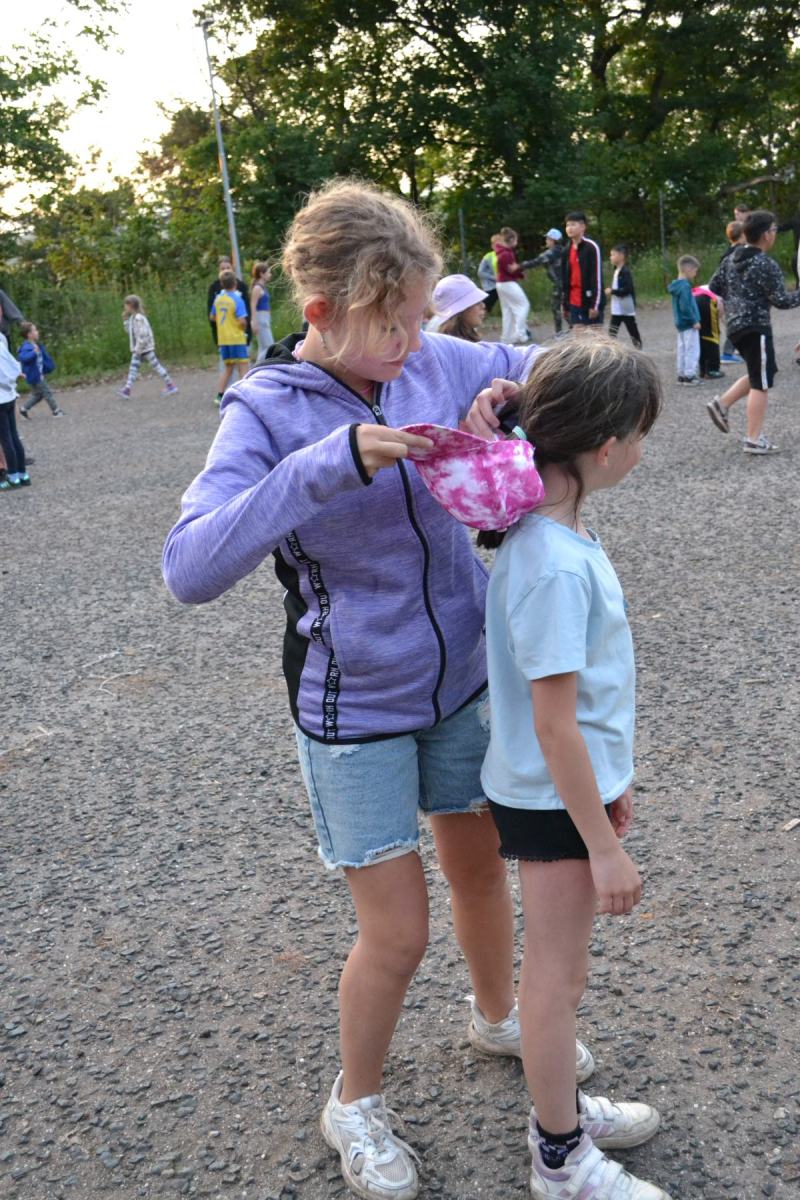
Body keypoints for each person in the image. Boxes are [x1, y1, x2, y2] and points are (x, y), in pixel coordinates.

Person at [162, 178, 598, 1200]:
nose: (413, 342)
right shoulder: (265, 410)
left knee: (480, 873)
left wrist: (511, 397)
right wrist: (322, 466)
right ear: (321, 311)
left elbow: (551, 363)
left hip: (460, 681)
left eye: (419, 316)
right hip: (351, 707)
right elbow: (187, 569)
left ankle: (498, 1017)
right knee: (397, 931)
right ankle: (353, 1100)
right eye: (390, 322)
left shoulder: (435, 357)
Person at [478, 336, 670, 1200]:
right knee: (555, 983)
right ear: (606, 448)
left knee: (561, 975)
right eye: (641, 435)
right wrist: (603, 846)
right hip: (552, 800)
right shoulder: (553, 563)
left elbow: (575, 710)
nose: (642, 450)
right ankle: (558, 1154)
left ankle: (562, 1110)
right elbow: (555, 726)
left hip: (560, 792)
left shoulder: (546, 533)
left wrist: (610, 789)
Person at [706, 208, 800, 455]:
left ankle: (722, 404)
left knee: (764, 371)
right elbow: (782, 300)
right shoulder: (765, 263)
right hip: (756, 326)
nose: (775, 233)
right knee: (761, 382)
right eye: (774, 229)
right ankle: (754, 439)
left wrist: (736, 301)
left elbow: (714, 285)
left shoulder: (730, 259)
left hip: (735, 327)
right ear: (766, 234)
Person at [118, 295, 177, 400]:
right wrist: (126, 320)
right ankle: (127, 389)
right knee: (134, 369)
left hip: (144, 349)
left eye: (125, 305)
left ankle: (170, 385)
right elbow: (130, 332)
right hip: (140, 348)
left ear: (130, 305)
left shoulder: (139, 318)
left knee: (155, 366)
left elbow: (143, 334)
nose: (124, 307)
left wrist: (138, 348)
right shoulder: (132, 318)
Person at [211, 269, 249, 404]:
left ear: (222, 284)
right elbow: (242, 321)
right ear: (235, 283)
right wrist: (243, 327)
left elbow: (213, 317)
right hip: (236, 338)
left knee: (228, 368)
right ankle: (247, 394)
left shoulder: (218, 299)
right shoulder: (237, 299)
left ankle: (220, 395)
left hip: (223, 339)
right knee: (243, 366)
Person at [0, 318, 30, 490]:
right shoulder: (1, 340)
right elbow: (12, 363)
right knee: (14, 436)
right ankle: (23, 474)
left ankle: (13, 477)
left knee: (6, 439)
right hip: (10, 395)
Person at [561, 212, 603, 327]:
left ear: (583, 227)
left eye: (573, 224)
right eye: (567, 225)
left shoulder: (591, 247)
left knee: (594, 336)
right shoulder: (566, 250)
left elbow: (597, 277)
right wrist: (564, 303)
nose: (569, 228)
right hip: (573, 300)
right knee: (578, 335)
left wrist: (595, 305)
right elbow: (564, 278)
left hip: (589, 300)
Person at [522, 229, 564, 335]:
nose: (546, 241)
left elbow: (536, 261)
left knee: (556, 308)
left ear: (553, 240)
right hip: (565, 284)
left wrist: (520, 266)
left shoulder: (552, 252)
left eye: (548, 239)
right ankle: (572, 331)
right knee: (565, 308)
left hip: (560, 284)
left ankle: (560, 333)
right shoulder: (563, 250)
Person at [17, 321, 63, 418]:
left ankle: (23, 409)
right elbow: (23, 358)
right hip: (34, 375)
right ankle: (56, 411)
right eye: (35, 330)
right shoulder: (26, 347)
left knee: (38, 395)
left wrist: (48, 366)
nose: (37, 332)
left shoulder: (36, 344)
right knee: (47, 392)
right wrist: (33, 353)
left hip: (38, 374)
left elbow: (42, 358)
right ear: (29, 334)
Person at [668, 256, 702, 385]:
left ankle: (681, 374)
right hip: (689, 323)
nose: (695, 274)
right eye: (695, 271)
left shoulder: (676, 285)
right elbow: (685, 306)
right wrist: (694, 320)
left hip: (680, 323)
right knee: (692, 349)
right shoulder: (685, 286)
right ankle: (689, 376)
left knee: (682, 349)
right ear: (688, 269)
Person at [495, 226, 531, 344]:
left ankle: (507, 338)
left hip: (501, 283)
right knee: (524, 305)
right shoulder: (506, 254)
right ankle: (520, 333)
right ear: (511, 240)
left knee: (508, 310)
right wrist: (521, 273)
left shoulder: (502, 252)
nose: (516, 242)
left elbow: (510, 269)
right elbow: (511, 269)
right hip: (507, 282)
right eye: (516, 239)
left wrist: (518, 272)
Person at [426, 274, 488, 341]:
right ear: (461, 310)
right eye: (476, 302)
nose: (483, 306)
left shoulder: (463, 332)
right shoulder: (446, 341)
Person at [207, 256, 250, 348]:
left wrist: (247, 327)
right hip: (222, 333)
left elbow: (247, 309)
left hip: (238, 332)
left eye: (228, 268)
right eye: (222, 269)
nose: (225, 271)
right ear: (219, 270)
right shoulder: (214, 288)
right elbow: (211, 313)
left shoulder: (241, 286)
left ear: (232, 269)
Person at [604, 245, 642, 348]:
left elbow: (628, 289)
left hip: (625, 307)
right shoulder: (616, 271)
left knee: (632, 330)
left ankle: (638, 348)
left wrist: (612, 291)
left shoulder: (625, 272)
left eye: (613, 255)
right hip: (617, 309)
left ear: (621, 256)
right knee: (612, 332)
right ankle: (611, 352)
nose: (611, 257)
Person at [719, 221, 747, 363]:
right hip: (736, 296)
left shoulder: (726, 254)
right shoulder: (741, 252)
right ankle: (727, 353)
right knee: (738, 324)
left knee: (738, 324)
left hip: (728, 295)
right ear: (742, 235)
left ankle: (737, 350)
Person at [691, 285, 724, 379]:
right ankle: (712, 369)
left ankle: (703, 369)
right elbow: (721, 311)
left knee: (701, 335)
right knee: (712, 335)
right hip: (707, 300)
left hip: (694, 298)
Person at [250, 261, 274, 363]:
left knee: (263, 347)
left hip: (265, 318)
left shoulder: (263, 287)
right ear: (261, 274)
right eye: (268, 272)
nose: (270, 275)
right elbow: (253, 305)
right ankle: (258, 367)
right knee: (269, 346)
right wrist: (254, 322)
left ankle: (258, 367)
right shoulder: (257, 288)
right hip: (260, 319)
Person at [477, 236, 502, 314]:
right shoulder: (488, 256)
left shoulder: (505, 254)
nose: (499, 246)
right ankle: (479, 315)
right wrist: (494, 278)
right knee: (485, 306)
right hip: (491, 287)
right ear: (492, 246)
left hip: (502, 284)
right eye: (496, 244)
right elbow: (480, 273)